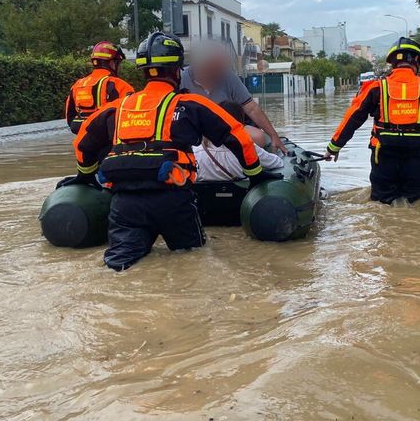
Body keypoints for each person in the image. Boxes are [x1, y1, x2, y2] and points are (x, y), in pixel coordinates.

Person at [64, 32, 280, 271]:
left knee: (120, 265)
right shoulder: (191, 105)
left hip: (125, 204)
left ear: (143, 71)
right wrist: (257, 175)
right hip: (173, 201)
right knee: (192, 259)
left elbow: (82, 142)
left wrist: (84, 176)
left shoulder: (117, 108)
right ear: (177, 71)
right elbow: (238, 138)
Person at [324, 37, 420, 204]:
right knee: (417, 203)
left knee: (382, 204)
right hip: (416, 155)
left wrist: (333, 147)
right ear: (417, 60)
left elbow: (353, 119)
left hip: (384, 154)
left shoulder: (375, 87)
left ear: (392, 63)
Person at [181, 41, 288, 153]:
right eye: (216, 68)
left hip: (225, 130)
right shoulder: (181, 78)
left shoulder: (228, 76)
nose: (221, 72)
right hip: (194, 131)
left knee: (258, 137)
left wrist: (274, 135)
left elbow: (251, 108)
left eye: (222, 68)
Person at [194, 101, 284, 181]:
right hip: (240, 196)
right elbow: (277, 163)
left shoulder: (196, 150)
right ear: (239, 124)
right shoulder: (248, 148)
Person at [64, 42, 135, 134]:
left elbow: (69, 116)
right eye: (118, 63)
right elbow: (130, 118)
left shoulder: (78, 84)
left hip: (83, 142)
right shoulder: (120, 85)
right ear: (112, 63)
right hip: (110, 142)